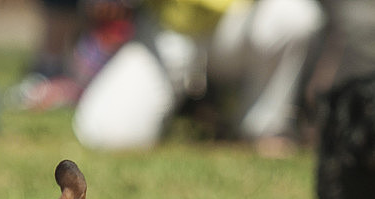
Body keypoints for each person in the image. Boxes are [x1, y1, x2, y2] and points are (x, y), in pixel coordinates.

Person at [72, 0, 326, 153]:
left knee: (295, 16)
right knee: (110, 133)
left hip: (237, 24)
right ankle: (195, 112)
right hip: (169, 33)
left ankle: (264, 128)